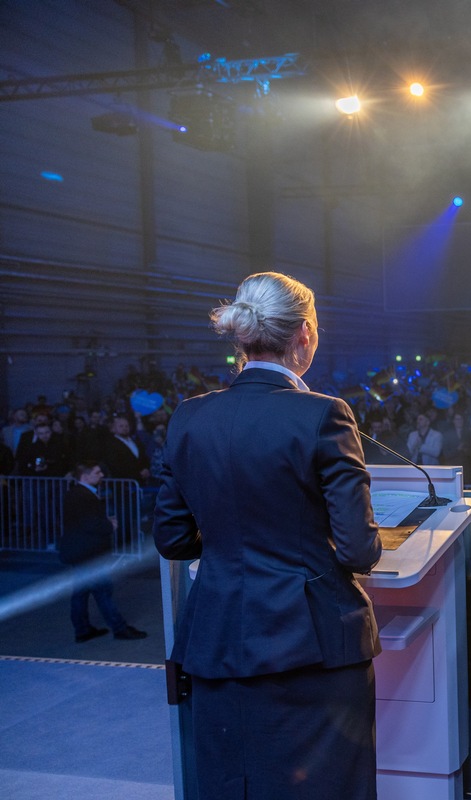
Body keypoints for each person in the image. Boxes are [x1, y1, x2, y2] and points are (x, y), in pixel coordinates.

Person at [154, 272, 383, 799]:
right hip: (312, 647)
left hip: (218, 641)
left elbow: (173, 538)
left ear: (241, 335)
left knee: (234, 786)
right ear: (304, 334)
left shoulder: (188, 417)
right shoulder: (324, 414)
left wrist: (236, 539)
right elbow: (357, 550)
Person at [60, 462, 148, 642]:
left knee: (81, 593)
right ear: (84, 476)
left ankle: (82, 630)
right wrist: (109, 525)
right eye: (97, 472)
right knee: (102, 591)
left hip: (80, 552)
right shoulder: (84, 497)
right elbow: (89, 523)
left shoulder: (76, 494)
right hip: (89, 554)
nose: (101, 475)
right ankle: (119, 628)